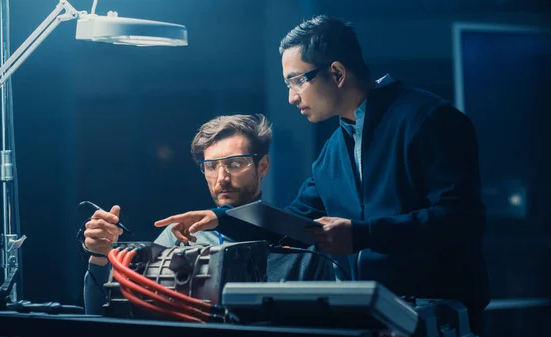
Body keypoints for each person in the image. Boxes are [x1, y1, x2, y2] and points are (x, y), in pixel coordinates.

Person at [157, 16, 490, 334]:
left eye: (296, 81)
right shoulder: (333, 152)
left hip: (438, 320)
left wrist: (364, 235)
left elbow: (464, 218)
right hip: (373, 319)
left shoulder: (428, 119)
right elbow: (290, 223)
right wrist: (219, 219)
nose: (291, 97)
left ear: (336, 72)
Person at [82, 114, 335, 315]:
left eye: (235, 164)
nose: (222, 178)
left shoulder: (300, 247)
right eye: (211, 167)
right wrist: (100, 257)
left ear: (263, 166)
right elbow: (103, 315)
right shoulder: (179, 237)